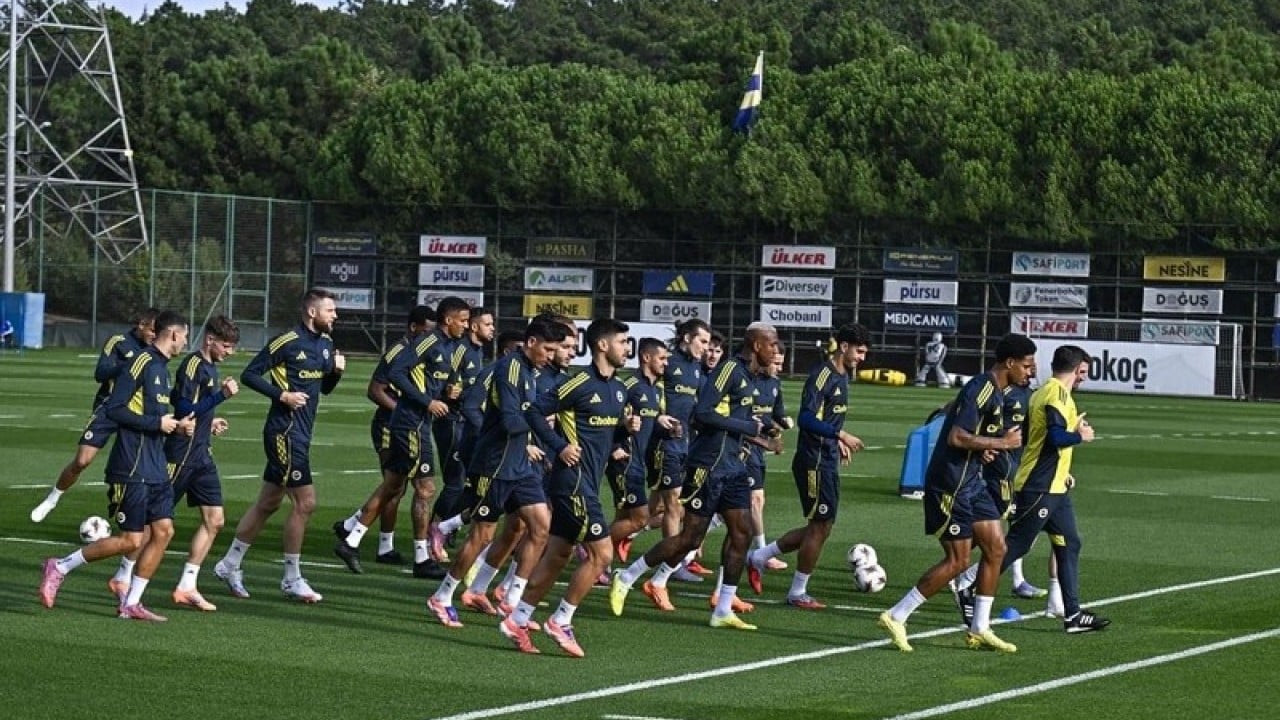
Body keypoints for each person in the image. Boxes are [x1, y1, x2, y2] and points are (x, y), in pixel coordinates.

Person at [610, 323, 777, 631]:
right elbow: (703, 414)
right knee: (691, 537)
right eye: (772, 344)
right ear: (756, 345)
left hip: (734, 465)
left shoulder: (752, 379)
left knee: (741, 533)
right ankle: (628, 576)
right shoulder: (729, 370)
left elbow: (739, 420)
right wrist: (748, 429)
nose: (776, 351)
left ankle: (723, 608)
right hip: (708, 465)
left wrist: (765, 431)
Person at [878, 333, 1036, 653]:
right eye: (1027, 365)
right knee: (958, 560)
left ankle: (979, 628)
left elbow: (968, 432)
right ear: (1010, 363)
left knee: (996, 548)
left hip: (972, 482)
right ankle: (897, 615)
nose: (1031, 372)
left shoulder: (998, 393)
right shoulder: (983, 388)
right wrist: (1000, 444)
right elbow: (956, 436)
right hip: (948, 485)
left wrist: (985, 451)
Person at [39, 311, 196, 620]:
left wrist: (175, 425)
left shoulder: (163, 370)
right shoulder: (141, 363)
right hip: (131, 464)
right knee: (132, 540)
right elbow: (114, 409)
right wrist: (157, 423)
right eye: (186, 336)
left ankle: (131, 603)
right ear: (174, 335)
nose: (186, 342)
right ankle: (59, 567)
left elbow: (156, 418)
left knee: (163, 532)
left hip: (155, 463)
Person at [425, 317, 571, 636]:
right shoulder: (509, 370)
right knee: (483, 535)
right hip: (495, 465)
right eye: (547, 348)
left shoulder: (533, 371)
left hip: (519, 465)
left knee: (540, 526)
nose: (550, 355)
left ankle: (509, 595)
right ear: (530, 343)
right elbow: (509, 420)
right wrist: (541, 427)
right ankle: (442, 595)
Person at [504, 318, 633, 657]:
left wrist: (625, 431)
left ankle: (517, 619)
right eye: (622, 342)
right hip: (571, 481)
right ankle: (561, 620)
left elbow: (604, 438)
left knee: (559, 554)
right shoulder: (578, 381)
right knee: (602, 554)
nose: (627, 348)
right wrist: (557, 445)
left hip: (588, 481)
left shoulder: (619, 389)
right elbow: (533, 411)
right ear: (602, 345)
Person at [213, 288, 345, 603]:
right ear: (312, 313)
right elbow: (250, 375)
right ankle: (291, 578)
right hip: (283, 433)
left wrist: (336, 372)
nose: (335, 316)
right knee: (306, 503)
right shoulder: (286, 342)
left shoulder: (326, 344)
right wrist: (281, 395)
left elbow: (323, 388)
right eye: (330, 310)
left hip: (301, 434)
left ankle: (229, 564)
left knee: (268, 503)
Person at [333, 297, 470, 576]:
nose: (465, 326)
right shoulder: (428, 341)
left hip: (418, 423)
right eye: (463, 321)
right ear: (449, 320)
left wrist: (447, 394)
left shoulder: (448, 346)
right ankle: (421, 559)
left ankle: (351, 537)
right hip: (410, 424)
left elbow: (432, 382)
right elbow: (396, 372)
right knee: (425, 489)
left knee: (393, 486)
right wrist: (426, 402)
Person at [747, 324, 869, 610]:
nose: (862, 358)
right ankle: (797, 592)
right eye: (859, 351)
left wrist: (835, 439)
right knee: (819, 526)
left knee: (823, 526)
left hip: (825, 457)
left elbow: (826, 418)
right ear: (844, 346)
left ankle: (760, 556)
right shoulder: (822, 375)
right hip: (812, 461)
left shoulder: (842, 377)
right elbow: (805, 418)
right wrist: (839, 435)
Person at [1000, 344, 1106, 632]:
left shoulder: (1052, 392)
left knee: (1070, 542)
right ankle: (969, 585)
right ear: (1074, 369)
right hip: (1039, 486)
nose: (1084, 377)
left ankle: (1072, 615)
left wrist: (1065, 471)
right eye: (1083, 371)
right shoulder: (1055, 394)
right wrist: (1079, 436)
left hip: (1055, 486)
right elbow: (1056, 437)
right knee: (1018, 544)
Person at [31, 308, 159, 523]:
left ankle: (133, 518)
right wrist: (129, 364)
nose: (156, 336)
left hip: (138, 412)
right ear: (141, 325)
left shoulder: (157, 352)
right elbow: (100, 373)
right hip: (109, 407)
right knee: (82, 460)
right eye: (153, 330)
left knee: (139, 466)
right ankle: (53, 498)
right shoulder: (119, 342)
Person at [335, 305, 434, 565]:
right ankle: (373, 541)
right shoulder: (399, 352)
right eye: (427, 331)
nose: (431, 338)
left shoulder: (421, 353)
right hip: (390, 426)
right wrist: (405, 409)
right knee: (395, 485)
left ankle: (363, 534)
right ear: (414, 328)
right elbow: (375, 390)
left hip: (408, 424)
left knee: (396, 485)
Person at [165, 316, 241, 612]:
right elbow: (183, 410)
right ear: (209, 339)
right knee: (153, 524)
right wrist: (221, 396)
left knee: (215, 520)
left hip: (201, 455)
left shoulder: (211, 367)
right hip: (180, 454)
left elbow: (197, 413)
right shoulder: (193, 366)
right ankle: (124, 575)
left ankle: (187, 585)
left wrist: (210, 423)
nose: (229, 352)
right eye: (226, 345)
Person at [642, 319, 711, 585]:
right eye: (702, 341)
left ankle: (620, 536)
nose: (705, 348)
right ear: (686, 338)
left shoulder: (697, 368)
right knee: (674, 504)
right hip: (664, 444)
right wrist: (658, 417)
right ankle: (675, 565)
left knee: (650, 511)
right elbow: (643, 388)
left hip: (686, 445)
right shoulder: (668, 363)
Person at [428, 306, 495, 557]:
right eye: (488, 324)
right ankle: (432, 532)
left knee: (468, 481)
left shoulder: (478, 352)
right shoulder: (460, 350)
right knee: (455, 481)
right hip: (451, 420)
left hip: (468, 423)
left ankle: (446, 528)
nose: (492, 329)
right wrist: (445, 391)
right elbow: (443, 379)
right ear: (475, 327)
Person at [608, 337, 676, 564]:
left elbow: (645, 421)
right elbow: (609, 418)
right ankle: (592, 546)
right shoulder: (629, 386)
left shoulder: (655, 390)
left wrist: (662, 424)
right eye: (662, 358)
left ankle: (601, 563)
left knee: (624, 514)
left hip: (638, 460)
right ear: (647, 357)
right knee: (639, 518)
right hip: (624, 459)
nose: (666, 363)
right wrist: (614, 447)